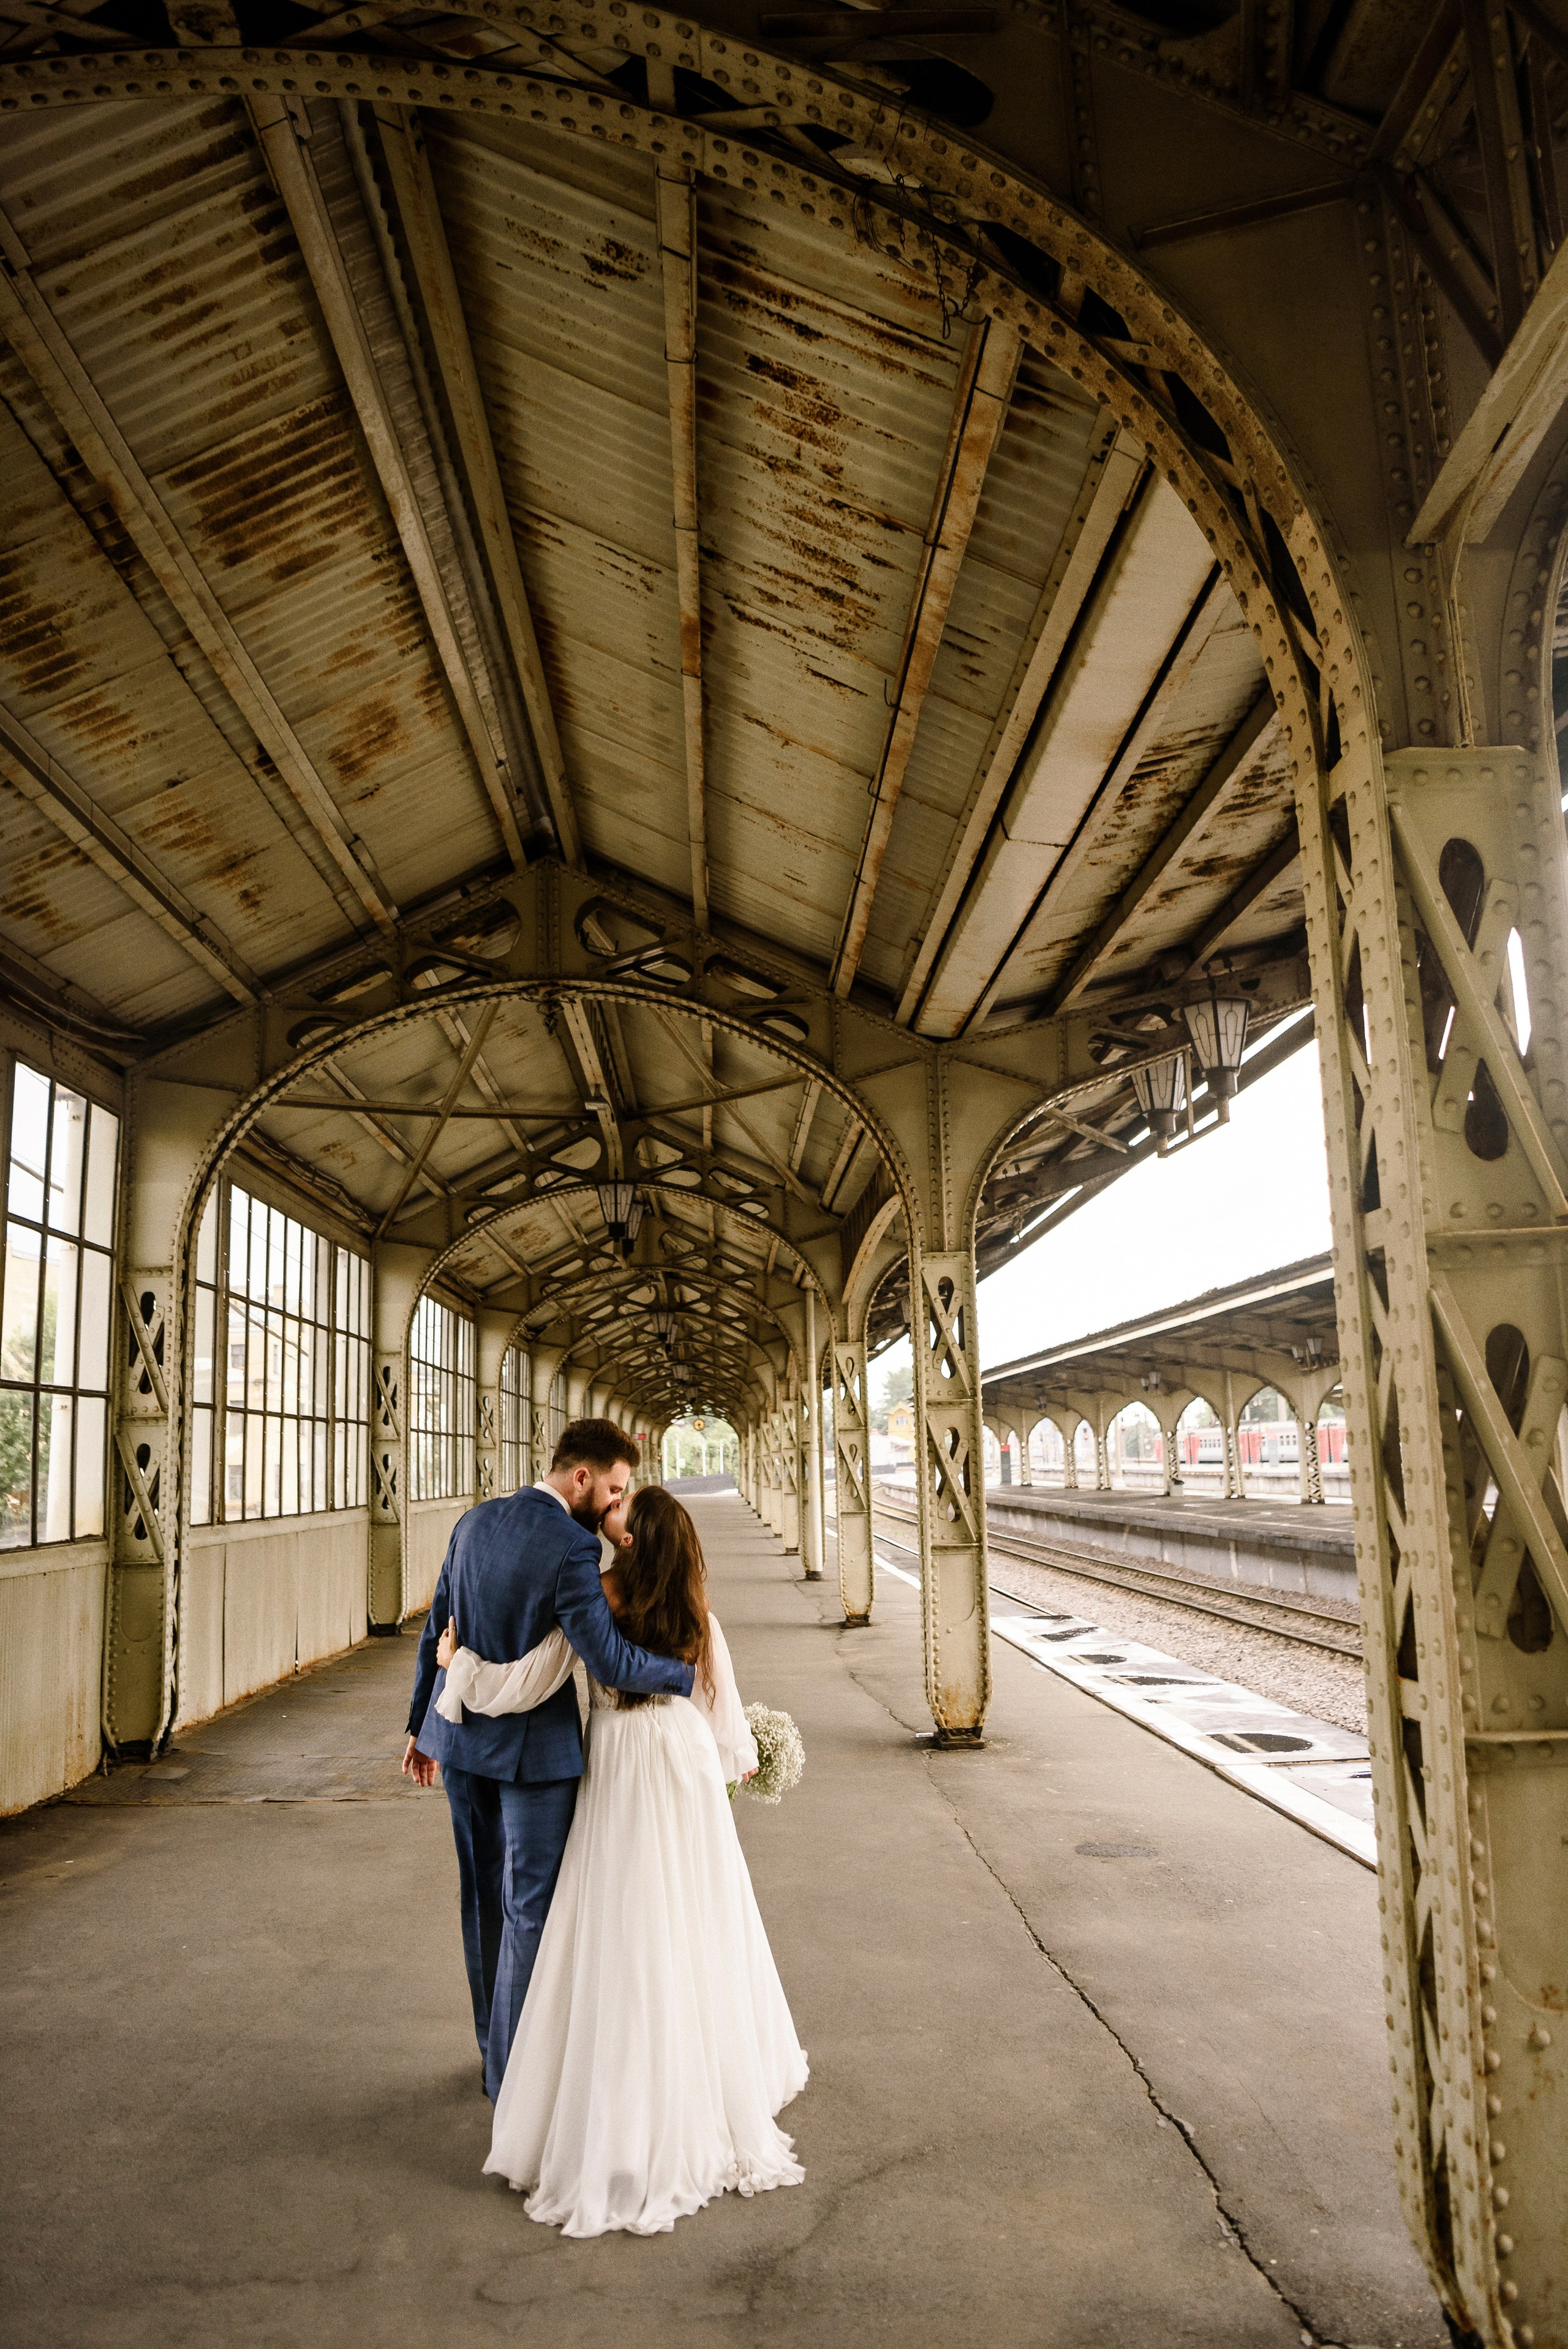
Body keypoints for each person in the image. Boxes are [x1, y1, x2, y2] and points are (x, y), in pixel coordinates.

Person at [433, 1482, 807, 2238]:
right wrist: (731, 1766)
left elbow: (531, 1679)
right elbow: (720, 1714)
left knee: (620, 1919)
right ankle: (709, 2071)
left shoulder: (594, 1592)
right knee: (695, 1911)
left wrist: (458, 1667)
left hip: (620, 1764)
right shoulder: (696, 1607)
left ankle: (622, 2087)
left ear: (628, 1540)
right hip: (682, 1762)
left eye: (617, 1510)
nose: (606, 1509)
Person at [402, 1420, 696, 2103]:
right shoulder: (572, 1548)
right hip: (535, 1758)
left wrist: (420, 1725)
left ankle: (489, 2056)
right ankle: (516, 2080)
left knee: (481, 1899)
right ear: (582, 1477)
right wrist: (688, 1677)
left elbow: (434, 1624)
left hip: (463, 1742)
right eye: (616, 1488)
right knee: (530, 1907)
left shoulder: (472, 1522)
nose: (617, 1504)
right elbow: (611, 1662)